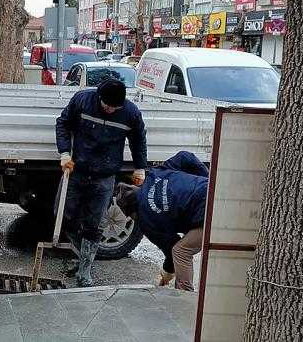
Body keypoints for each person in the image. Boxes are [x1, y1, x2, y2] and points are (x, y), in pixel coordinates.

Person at [55, 79, 148, 287]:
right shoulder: (83, 101)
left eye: (115, 107)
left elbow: (138, 139)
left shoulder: (130, 113)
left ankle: (85, 269)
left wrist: (140, 167)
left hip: (104, 175)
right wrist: (64, 152)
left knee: (94, 224)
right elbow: (63, 123)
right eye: (107, 105)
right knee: (64, 215)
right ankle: (81, 256)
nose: (110, 109)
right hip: (77, 169)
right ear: (99, 97)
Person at [115, 151, 208, 291]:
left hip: (207, 213)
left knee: (181, 251)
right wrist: (209, 182)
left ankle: (184, 297)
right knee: (187, 241)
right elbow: (185, 156)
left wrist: (166, 274)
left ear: (133, 211)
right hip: (214, 194)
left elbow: (171, 248)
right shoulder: (155, 173)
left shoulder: (146, 219)